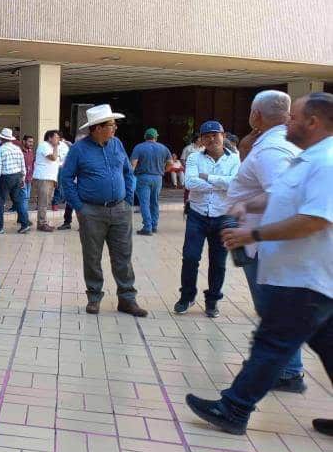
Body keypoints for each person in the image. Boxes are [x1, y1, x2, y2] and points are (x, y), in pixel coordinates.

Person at [186, 92, 333, 438]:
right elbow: (282, 192)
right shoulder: (309, 158)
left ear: (313, 122)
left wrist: (254, 234)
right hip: (305, 275)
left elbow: (315, 219)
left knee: (272, 343)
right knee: (328, 345)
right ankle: (236, 406)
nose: (287, 122)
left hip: (306, 276)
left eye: (294, 118)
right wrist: (248, 206)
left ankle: (234, 408)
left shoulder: (326, 162)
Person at [224, 90, 306, 392]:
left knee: (273, 309)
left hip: (264, 242)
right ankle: (283, 367)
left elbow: (283, 194)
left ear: (256, 115)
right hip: (262, 240)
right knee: (274, 308)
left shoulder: (272, 149)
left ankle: (287, 371)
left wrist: (245, 208)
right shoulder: (280, 142)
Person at [60, 105, 147, 317]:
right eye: (111, 125)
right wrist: (80, 207)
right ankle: (94, 297)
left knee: (123, 256)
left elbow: (127, 172)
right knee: (92, 257)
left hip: (120, 209)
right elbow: (66, 179)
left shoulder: (117, 144)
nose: (115, 128)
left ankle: (127, 299)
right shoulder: (79, 149)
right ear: (97, 128)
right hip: (91, 212)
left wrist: (128, 200)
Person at [176, 120, 239, 318]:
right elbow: (190, 183)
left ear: (223, 136)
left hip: (223, 216)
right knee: (190, 257)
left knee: (218, 262)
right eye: (207, 136)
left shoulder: (234, 159)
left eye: (215, 135)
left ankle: (212, 301)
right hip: (197, 215)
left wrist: (208, 177)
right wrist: (221, 184)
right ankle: (187, 296)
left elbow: (235, 185)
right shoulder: (194, 157)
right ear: (201, 140)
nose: (212, 139)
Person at [130, 128, 172, 235]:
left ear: (145, 137)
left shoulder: (139, 147)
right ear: (156, 137)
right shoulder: (164, 148)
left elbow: (133, 164)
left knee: (144, 203)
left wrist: (129, 177)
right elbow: (170, 163)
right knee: (155, 202)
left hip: (143, 178)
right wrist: (163, 170)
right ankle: (154, 226)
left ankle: (147, 227)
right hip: (158, 178)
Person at [0, 128, 29, 234]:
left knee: (0, 202)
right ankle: (25, 224)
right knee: (18, 201)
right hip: (17, 176)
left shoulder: (0, 150)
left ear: (2, 138)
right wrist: (23, 178)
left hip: (5, 177)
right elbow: (23, 164)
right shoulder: (17, 149)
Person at [33, 130, 62, 231]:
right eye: (56, 137)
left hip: (49, 179)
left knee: (46, 202)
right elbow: (53, 158)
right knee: (43, 202)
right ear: (49, 138)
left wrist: (55, 180)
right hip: (43, 178)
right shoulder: (44, 146)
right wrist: (56, 146)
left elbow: (56, 164)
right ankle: (41, 224)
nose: (58, 139)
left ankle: (43, 222)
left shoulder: (51, 147)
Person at [19, 134, 36, 203]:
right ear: (24, 141)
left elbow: (33, 164)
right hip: (21, 178)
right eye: (29, 142)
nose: (31, 144)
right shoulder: (19, 152)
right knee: (24, 198)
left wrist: (33, 176)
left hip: (29, 178)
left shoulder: (31, 152)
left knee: (27, 197)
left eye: (32, 142)